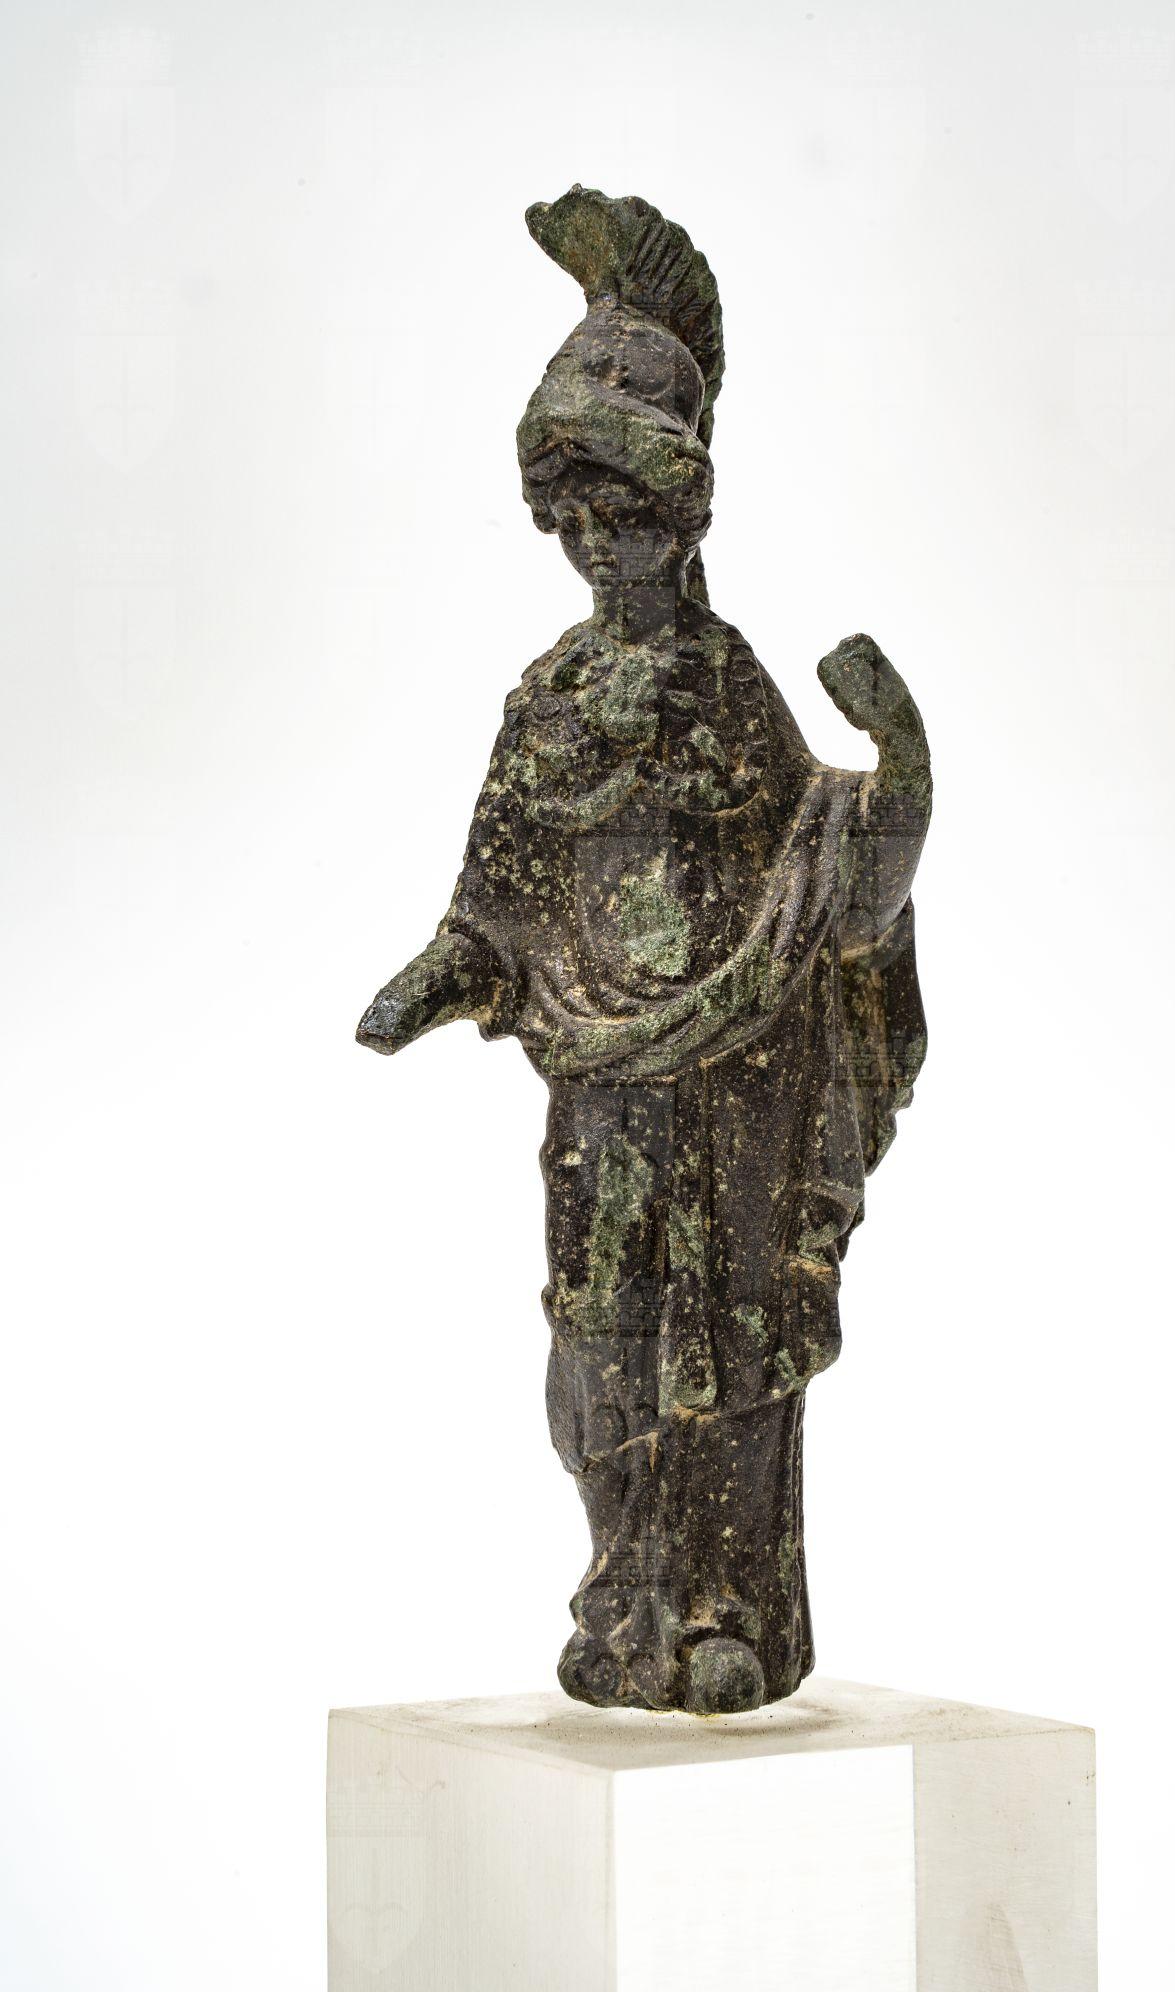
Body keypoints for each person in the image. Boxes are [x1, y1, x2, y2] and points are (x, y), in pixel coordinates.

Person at [357, 188, 931, 1714]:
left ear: (682, 518)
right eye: (581, 519)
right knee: (600, 1343)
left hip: (737, 1076)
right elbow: (493, 894)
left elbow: (830, 872)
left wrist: (898, 772)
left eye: (632, 516)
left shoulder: (728, 681)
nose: (605, 546)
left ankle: (727, 1608)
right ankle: (625, 1599)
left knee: (729, 1345)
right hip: (599, 1089)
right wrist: (439, 977)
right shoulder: (544, 695)